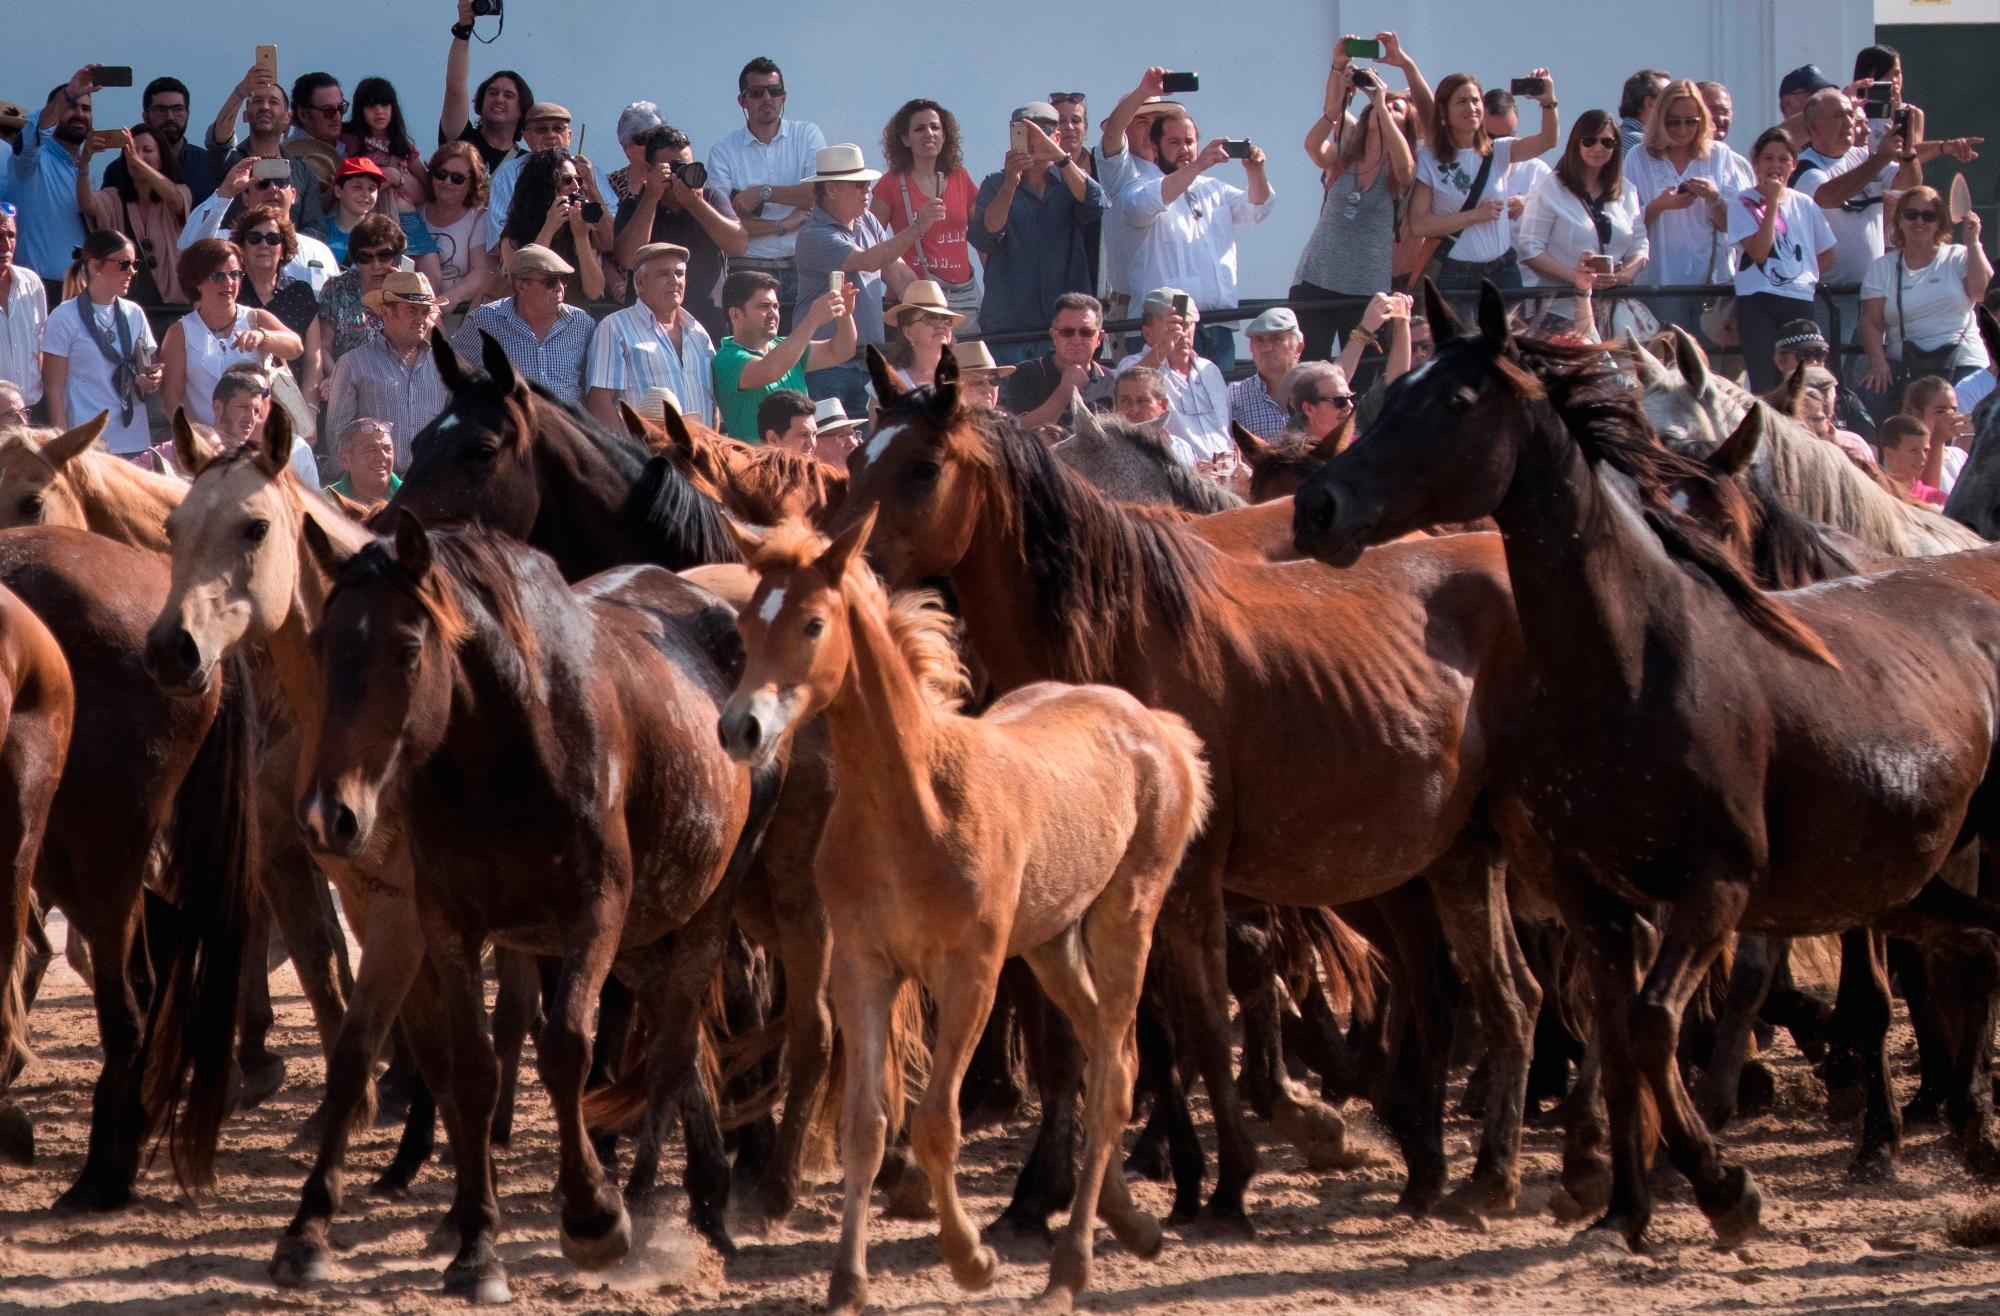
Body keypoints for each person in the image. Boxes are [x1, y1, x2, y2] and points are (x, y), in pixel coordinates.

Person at [1123, 109, 1278, 371]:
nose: (1184, 149)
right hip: (1165, 329)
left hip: (1217, 325)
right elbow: (1142, 206)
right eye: (1174, 142)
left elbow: (1258, 209)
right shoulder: (1138, 186)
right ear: (1154, 146)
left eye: (1189, 142)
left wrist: (1256, 171)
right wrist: (1198, 165)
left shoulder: (1213, 189)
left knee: (1219, 405)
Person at [1293, 41, 1419, 361]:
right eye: (1384, 105)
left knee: (1362, 377)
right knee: (1311, 371)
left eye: (1396, 109)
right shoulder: (1348, 147)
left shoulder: (1403, 167)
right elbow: (1313, 146)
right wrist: (1339, 73)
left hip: (1365, 292)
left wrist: (1379, 102)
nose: (1387, 109)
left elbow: (1405, 165)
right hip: (1316, 280)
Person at [969, 104, 1106, 361]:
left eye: (1042, 132)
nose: (1033, 141)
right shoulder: (995, 183)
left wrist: (1061, 158)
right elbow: (985, 237)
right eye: (1024, 133)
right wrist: (1011, 184)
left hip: (1066, 331)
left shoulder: (1072, 181)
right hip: (1009, 332)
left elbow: (1097, 204)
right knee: (1010, 400)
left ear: (1056, 137)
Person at [1409, 71, 1558, 305]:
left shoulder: (1499, 150)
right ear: (1444, 111)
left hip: (1503, 270)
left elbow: (1548, 140)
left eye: (1475, 100)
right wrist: (1474, 216)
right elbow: (1419, 224)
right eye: (1461, 101)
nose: (1471, 108)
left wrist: (1548, 101)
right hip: (1456, 274)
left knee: (1509, 341)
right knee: (1462, 341)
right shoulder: (1430, 158)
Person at [794, 144, 922, 412]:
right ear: (831, 189)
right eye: (859, 184)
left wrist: (934, 312)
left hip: (866, 364)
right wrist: (918, 228)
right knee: (828, 447)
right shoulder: (813, 234)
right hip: (826, 367)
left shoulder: (869, 222)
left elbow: (896, 272)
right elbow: (868, 260)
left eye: (867, 183)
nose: (868, 190)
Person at [709, 58, 828, 334]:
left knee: (805, 358)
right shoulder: (724, 151)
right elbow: (723, 227)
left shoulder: (807, 135)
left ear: (783, 97)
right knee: (754, 357)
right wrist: (784, 224)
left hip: (802, 267)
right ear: (742, 100)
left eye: (774, 92)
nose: (767, 98)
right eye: (757, 92)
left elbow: (819, 194)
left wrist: (763, 193)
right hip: (748, 270)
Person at [1859, 186, 1992, 419]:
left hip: (1962, 358)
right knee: (1869, 395)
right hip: (1905, 363)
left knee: (1966, 403)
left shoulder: (1958, 256)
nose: (1919, 221)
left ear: (1939, 222)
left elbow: (1982, 293)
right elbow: (1871, 321)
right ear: (1899, 220)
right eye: (1911, 214)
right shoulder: (1883, 267)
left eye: (1929, 216)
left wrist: (1973, 243)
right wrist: (1878, 362)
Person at [1629, 78, 1750, 326]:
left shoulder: (1719, 155)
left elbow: (1736, 225)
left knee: (1711, 363)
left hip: (1712, 283)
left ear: (1702, 120)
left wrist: (1714, 197)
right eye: (1673, 122)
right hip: (1659, 281)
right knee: (1668, 360)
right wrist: (1659, 205)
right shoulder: (1638, 156)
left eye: (1690, 122)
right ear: (1660, 119)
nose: (1682, 130)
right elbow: (1625, 223)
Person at [612, 126, 748, 340]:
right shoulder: (634, 205)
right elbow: (628, 258)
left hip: (706, 328)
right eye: (672, 168)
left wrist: (695, 204)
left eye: (685, 166)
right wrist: (651, 197)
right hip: (647, 332)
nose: (680, 174)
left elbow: (738, 245)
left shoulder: (709, 198)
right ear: (649, 169)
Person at [1727, 128, 1838, 390]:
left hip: (1798, 299)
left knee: (1800, 379)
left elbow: (1828, 253)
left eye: (1783, 159)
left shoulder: (1805, 204)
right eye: (1768, 158)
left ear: (1793, 165)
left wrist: (1801, 276)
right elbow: (1759, 252)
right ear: (1755, 163)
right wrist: (1772, 203)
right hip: (1758, 300)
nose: (1775, 165)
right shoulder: (1741, 202)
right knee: (1765, 379)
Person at [1517, 111, 1648, 322]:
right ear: (1576, 143)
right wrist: (1575, 277)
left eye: (1607, 142)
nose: (1598, 148)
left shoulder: (1626, 190)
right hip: (1563, 310)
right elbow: (1529, 250)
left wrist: (1625, 275)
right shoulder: (1550, 187)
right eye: (1589, 141)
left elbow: (1640, 243)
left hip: (1613, 310)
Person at [38, 230, 160, 454]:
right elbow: (54, 387)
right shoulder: (64, 316)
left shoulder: (134, 313)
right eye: (124, 264)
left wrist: (152, 379)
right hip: (88, 440)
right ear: (96, 266)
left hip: (134, 437)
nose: (131, 272)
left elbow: (149, 369)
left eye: (135, 264)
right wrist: (62, 442)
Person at [160, 237, 304, 427]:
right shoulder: (179, 332)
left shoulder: (256, 317)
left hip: (258, 441)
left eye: (235, 274)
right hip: (207, 445)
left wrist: (262, 336)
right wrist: (201, 436)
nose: (228, 282)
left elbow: (296, 346)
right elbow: (171, 397)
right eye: (219, 276)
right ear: (198, 282)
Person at [872, 99, 980, 330]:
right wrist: (918, 226)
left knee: (968, 364)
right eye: (919, 129)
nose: (928, 134)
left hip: (964, 296)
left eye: (935, 127)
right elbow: (870, 244)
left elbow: (982, 235)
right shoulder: (890, 184)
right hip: (915, 300)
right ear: (904, 139)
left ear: (944, 135)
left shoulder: (960, 175)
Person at [585, 241, 718, 430]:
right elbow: (599, 402)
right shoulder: (615, 327)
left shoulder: (699, 333)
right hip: (645, 455)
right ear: (640, 282)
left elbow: (712, 401)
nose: (675, 280)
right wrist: (629, 454)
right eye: (664, 273)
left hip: (697, 456)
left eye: (679, 273)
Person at [328, 269, 451, 470]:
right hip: (374, 491)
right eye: (411, 311)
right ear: (385, 312)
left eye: (425, 311)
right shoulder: (353, 364)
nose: (420, 319)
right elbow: (338, 437)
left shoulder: (442, 365)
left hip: (427, 486)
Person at [710, 268, 853, 441]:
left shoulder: (786, 347)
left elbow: (841, 350)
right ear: (736, 314)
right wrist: (812, 319)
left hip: (798, 464)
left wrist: (845, 314)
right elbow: (770, 370)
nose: (773, 314)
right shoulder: (727, 358)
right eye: (764, 306)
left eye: (776, 306)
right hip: (756, 465)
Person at [452, 243, 595, 404]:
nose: (559, 288)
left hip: (565, 426)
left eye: (564, 279)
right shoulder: (483, 321)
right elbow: (454, 374)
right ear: (522, 285)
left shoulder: (581, 323)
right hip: (511, 426)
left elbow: (591, 386)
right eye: (551, 281)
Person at [179, 158, 336, 293]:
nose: (273, 188)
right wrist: (225, 192)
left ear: (293, 195)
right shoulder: (227, 242)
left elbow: (333, 307)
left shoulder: (319, 251)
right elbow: (189, 246)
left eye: (281, 182)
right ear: (245, 197)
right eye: (263, 183)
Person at [1113, 286, 1230, 466]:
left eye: (1187, 324)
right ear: (1148, 333)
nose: (1181, 333)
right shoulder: (1133, 364)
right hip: (1181, 477)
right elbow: (1130, 380)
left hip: (1225, 473)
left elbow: (1225, 431)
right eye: (1172, 326)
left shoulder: (1210, 370)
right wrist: (1164, 348)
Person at [76, 126, 191, 304]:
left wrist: (138, 161)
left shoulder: (180, 192)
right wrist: (84, 162)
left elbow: (175, 198)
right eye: (131, 150)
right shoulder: (113, 197)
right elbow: (87, 204)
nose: (136, 155)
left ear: (162, 158)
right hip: (128, 307)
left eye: (147, 150)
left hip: (172, 308)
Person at [201, 68, 326, 231]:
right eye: (258, 101)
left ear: (287, 118)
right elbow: (218, 138)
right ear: (245, 114)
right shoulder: (230, 162)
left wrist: (280, 244)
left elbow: (316, 229)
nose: (265, 107)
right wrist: (241, 91)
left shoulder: (302, 172)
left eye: (273, 102)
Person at [483, 104, 614, 255]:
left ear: (569, 136)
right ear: (526, 136)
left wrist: (591, 187)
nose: (551, 135)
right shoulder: (510, 172)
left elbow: (611, 241)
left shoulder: (591, 171)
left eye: (558, 129)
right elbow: (500, 244)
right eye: (541, 129)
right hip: (526, 268)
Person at [340, 77, 441, 269]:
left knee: (431, 275)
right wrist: (386, 176)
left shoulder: (403, 145)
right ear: (360, 110)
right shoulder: (349, 140)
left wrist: (399, 177)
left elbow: (427, 186)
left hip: (408, 219)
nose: (379, 111)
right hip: (369, 218)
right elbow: (343, 179)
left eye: (385, 104)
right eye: (371, 106)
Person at [11, 67, 96, 283]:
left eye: (86, 109)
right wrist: (66, 95)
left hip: (79, 292)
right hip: (37, 289)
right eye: (72, 107)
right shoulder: (32, 161)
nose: (80, 114)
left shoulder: (85, 171)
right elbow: (34, 133)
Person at [496, 148, 607, 303]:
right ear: (545, 186)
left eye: (579, 180)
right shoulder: (515, 231)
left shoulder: (579, 225)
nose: (576, 187)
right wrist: (549, 228)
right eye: (567, 180)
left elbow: (594, 291)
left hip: (573, 320)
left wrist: (581, 237)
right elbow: (522, 281)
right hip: (530, 318)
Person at [440, 1, 532, 174]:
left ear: (522, 109)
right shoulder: (461, 140)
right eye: (493, 93)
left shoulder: (527, 164)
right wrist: (463, 30)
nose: (499, 99)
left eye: (509, 95)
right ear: (481, 102)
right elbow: (455, 88)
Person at [314, 213, 408, 376]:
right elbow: (323, 347)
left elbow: (428, 343)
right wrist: (338, 381)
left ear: (397, 257)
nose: (376, 265)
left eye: (384, 255)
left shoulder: (412, 290)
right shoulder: (336, 288)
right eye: (366, 257)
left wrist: (402, 293)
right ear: (356, 260)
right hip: (347, 381)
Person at [1004, 291, 1115, 428]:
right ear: (1054, 335)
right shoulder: (1024, 374)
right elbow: (1020, 431)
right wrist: (1066, 389)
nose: (1076, 340)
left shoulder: (1111, 381)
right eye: (1067, 332)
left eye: (1086, 332)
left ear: (1099, 338)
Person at [232, 205, 321, 367]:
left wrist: (307, 394)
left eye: (273, 239)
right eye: (254, 238)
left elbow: (313, 364)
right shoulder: (230, 290)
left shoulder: (300, 292)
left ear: (283, 247)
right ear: (242, 246)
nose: (264, 245)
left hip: (293, 389)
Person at [211, 362, 319, 484]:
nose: (257, 399)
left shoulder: (295, 448)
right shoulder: (207, 448)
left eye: (263, 392)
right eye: (248, 391)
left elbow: (313, 500)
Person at [1773, 318, 1875, 442]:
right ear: (1780, 360)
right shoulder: (1770, 407)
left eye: (1820, 353)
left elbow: (1869, 451)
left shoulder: (1846, 401)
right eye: (1803, 355)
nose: (1814, 361)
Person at [422, 140, 494, 310]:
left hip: (457, 318)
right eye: (441, 174)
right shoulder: (415, 214)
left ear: (471, 184)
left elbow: (481, 271)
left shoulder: (479, 217)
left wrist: (442, 303)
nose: (447, 182)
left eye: (457, 178)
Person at [1049, 92, 1104, 293]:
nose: (1069, 127)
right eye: (1061, 121)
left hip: (1101, 278)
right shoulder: (1041, 174)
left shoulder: (1104, 168)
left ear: (1086, 127)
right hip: (1061, 279)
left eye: (1076, 120)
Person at [1229, 307, 1303, 439]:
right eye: (1259, 340)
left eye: (1276, 339)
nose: (1266, 348)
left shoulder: (1316, 389)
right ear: (1251, 347)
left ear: (1298, 347)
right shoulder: (1234, 396)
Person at [879, 278, 960, 393]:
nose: (941, 324)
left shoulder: (965, 378)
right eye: (930, 318)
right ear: (909, 332)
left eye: (946, 319)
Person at [0, 206, 45, 410]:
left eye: (11, 235)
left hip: (31, 411)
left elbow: (41, 345)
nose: (5, 245)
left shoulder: (31, 283)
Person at [1905, 373, 1975, 492]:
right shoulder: (1905, 453)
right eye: (1940, 411)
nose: (1950, 416)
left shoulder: (1959, 455)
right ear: (1917, 415)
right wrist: (1937, 441)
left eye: (1954, 410)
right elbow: (1927, 495)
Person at [1278, 358, 1358, 451]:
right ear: (1309, 409)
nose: (1350, 406)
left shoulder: (1361, 448)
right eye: (1339, 400)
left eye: (1351, 398)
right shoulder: (1290, 459)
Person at [1877, 411, 1945, 505]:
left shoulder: (1937, 500)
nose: (1923, 457)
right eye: (1914, 450)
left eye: (1926, 450)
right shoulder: (1876, 496)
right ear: (1889, 454)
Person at [327, 416, 401, 502]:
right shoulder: (321, 504)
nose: (383, 457)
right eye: (371, 450)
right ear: (345, 459)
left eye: (387, 449)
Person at [609, 101, 666, 205]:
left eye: (657, 137)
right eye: (643, 139)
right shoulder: (608, 186)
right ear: (625, 146)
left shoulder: (675, 181)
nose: (652, 144)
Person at [950, 340, 1015, 412]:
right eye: (977, 382)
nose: (988, 388)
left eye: (993, 381)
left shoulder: (1006, 422)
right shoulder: (941, 422)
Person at [1619, 69, 1670, 156]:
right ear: (1650, 103)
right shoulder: (1640, 143)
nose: (1676, 105)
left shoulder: (1620, 135)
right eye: (1669, 98)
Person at [1112, 365, 1171, 429]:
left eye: (1143, 401)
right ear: (1115, 405)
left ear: (1163, 405)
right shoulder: (1100, 438)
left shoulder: (1174, 439)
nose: (1134, 410)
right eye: (1125, 401)